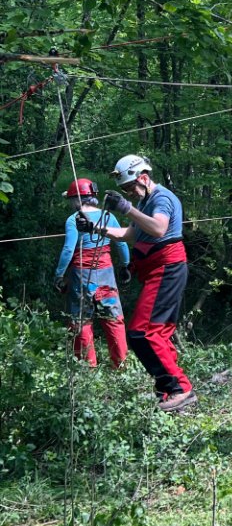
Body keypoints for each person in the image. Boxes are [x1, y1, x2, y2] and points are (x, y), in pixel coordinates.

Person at [77, 155, 196, 412]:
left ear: (143, 177)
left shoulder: (161, 198)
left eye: (130, 187)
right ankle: (171, 390)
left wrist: (125, 208)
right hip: (157, 269)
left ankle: (179, 388)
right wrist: (95, 228)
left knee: (142, 332)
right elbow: (131, 234)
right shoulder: (144, 202)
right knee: (159, 333)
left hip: (167, 267)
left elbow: (158, 229)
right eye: (125, 191)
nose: (129, 194)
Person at [54, 178, 131, 368]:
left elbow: (68, 250)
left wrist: (58, 275)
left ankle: (87, 368)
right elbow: (121, 242)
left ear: (78, 199)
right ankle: (121, 365)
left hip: (81, 275)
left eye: (71, 199)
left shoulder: (74, 219)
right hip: (106, 273)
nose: (71, 204)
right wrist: (126, 265)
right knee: (113, 318)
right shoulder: (108, 216)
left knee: (81, 320)